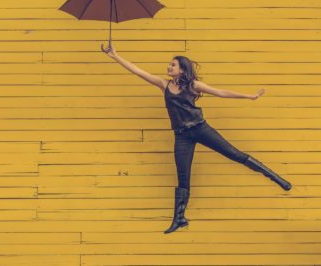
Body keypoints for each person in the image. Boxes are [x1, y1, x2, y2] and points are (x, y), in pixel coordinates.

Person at [100, 43, 292, 234]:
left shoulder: (194, 85)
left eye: (172, 65)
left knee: (235, 154)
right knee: (183, 175)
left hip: (201, 129)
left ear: (182, 69)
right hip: (182, 136)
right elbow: (138, 72)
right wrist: (115, 56)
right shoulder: (163, 84)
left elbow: (220, 92)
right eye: (169, 64)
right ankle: (180, 218)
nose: (168, 67)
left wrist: (248, 96)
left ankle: (275, 177)